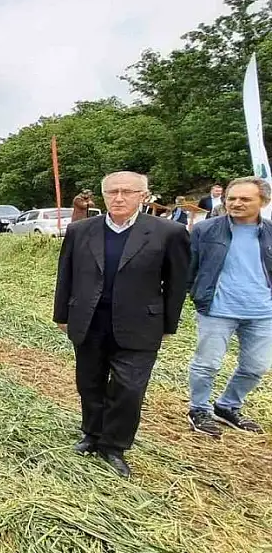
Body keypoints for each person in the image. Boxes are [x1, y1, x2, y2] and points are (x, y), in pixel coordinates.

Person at [53, 171, 190, 478]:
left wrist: (168, 324)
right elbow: (67, 275)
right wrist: (62, 315)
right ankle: (92, 434)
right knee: (89, 383)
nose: (118, 197)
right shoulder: (80, 230)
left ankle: (113, 446)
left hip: (140, 324)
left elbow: (177, 283)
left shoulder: (168, 232)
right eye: (112, 191)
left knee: (129, 388)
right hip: (90, 321)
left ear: (144, 195)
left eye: (127, 191)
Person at [186, 177, 272, 437]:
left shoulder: (269, 232)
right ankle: (198, 409)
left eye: (245, 199)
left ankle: (228, 405)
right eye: (231, 198)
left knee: (256, 367)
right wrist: (196, 294)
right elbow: (190, 267)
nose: (236, 203)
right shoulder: (206, 230)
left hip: (262, 312)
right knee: (207, 364)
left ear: (263, 202)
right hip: (217, 309)